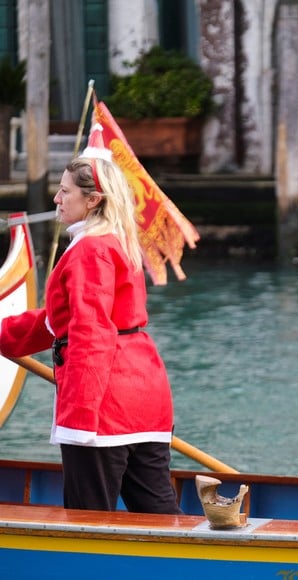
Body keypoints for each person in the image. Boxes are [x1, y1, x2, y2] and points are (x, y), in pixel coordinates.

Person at [0, 141, 182, 514]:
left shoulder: (88, 251)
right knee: (160, 515)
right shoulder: (118, 243)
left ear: (93, 200)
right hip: (145, 395)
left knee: (88, 516)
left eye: (65, 191)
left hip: (105, 404)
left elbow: (90, 334)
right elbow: (58, 322)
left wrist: (81, 418)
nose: (56, 199)